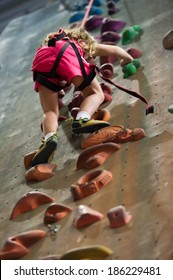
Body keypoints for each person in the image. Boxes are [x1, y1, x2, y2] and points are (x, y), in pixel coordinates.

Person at [31, 26, 133, 167]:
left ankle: (49, 138)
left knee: (50, 111)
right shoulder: (82, 44)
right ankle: (82, 119)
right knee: (95, 93)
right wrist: (127, 59)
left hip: (41, 61)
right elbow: (115, 50)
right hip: (66, 54)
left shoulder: (49, 44)